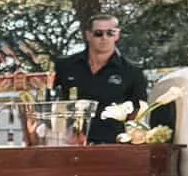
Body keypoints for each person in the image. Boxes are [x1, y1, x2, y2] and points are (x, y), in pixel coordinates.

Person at [52, 14, 151, 144]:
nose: (104, 38)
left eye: (110, 33)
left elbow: (139, 110)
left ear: (117, 35)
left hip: (113, 146)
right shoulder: (64, 66)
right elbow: (50, 102)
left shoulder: (133, 71)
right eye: (98, 33)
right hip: (69, 143)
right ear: (88, 35)